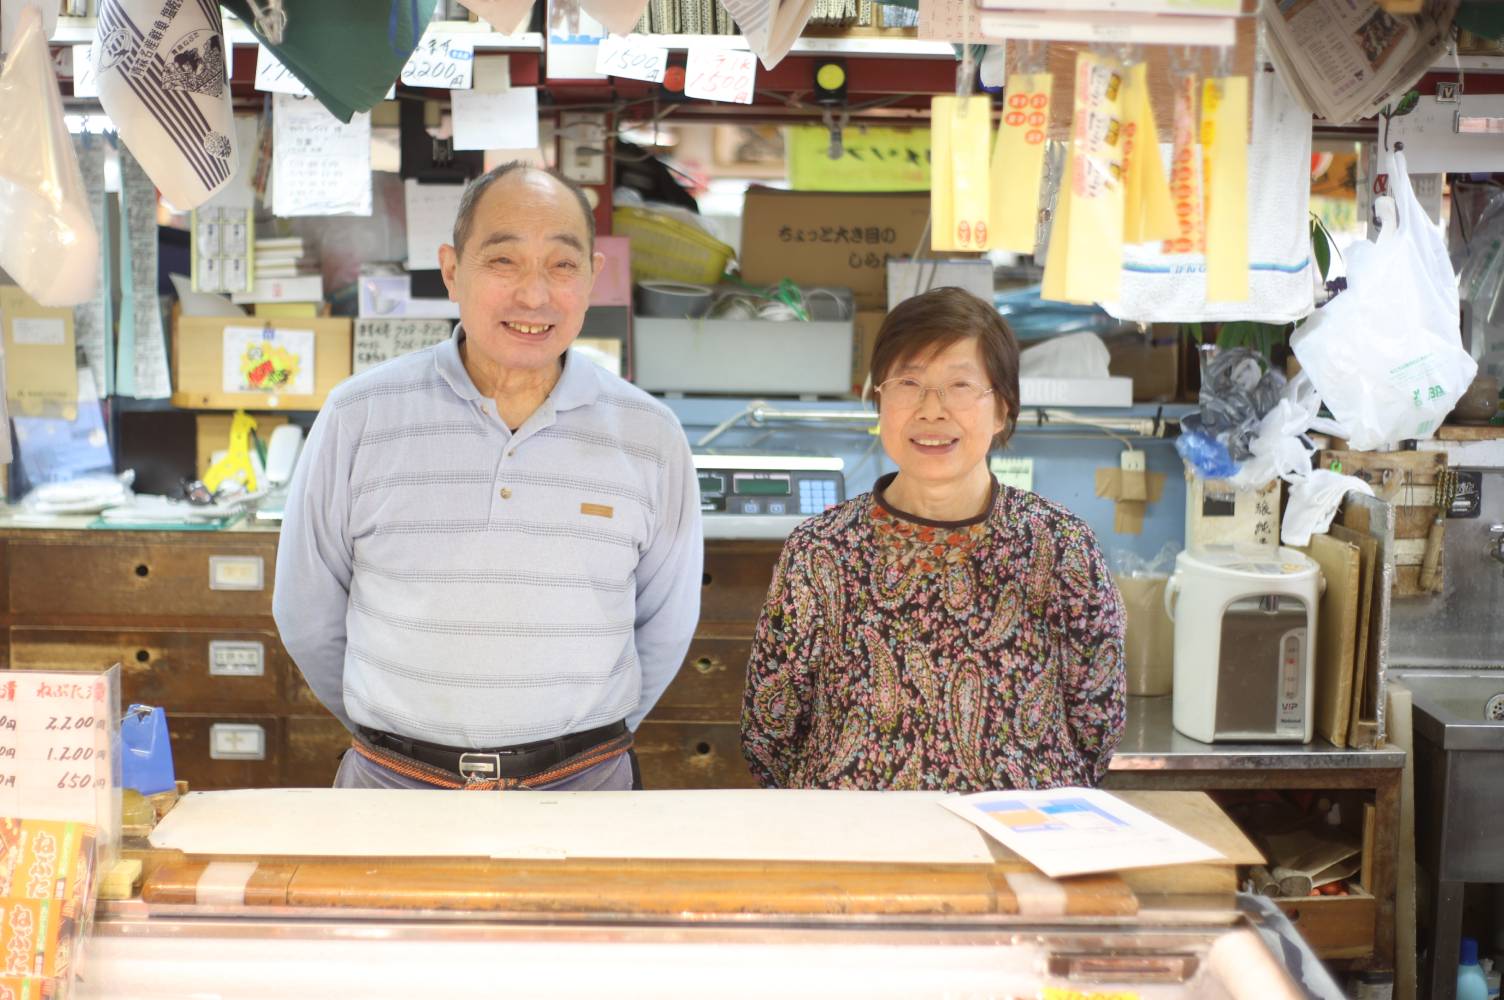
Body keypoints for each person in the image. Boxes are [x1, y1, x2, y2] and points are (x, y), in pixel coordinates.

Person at [274, 164, 703, 791]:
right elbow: (306, 612)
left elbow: (665, 625)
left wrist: (570, 747)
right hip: (394, 789)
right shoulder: (358, 415)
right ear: (452, 270)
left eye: (562, 265)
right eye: (504, 262)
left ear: (593, 277)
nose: (534, 296)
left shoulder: (650, 435)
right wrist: (401, 735)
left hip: (584, 791)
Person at [741, 287, 1126, 791]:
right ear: (880, 398)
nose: (931, 410)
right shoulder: (820, 550)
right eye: (908, 383)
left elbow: (1097, 722)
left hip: (1016, 846)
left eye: (960, 385)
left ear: (1002, 409)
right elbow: (770, 730)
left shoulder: (1060, 546)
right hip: (859, 851)